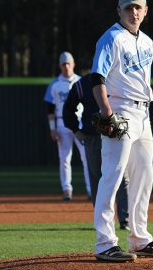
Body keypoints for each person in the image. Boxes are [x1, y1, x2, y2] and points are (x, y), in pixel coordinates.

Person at [90, 0, 153, 262]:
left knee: (144, 177)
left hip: (144, 114)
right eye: (128, 7)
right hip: (120, 110)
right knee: (112, 177)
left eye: (138, 7)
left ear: (145, 10)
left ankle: (139, 238)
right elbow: (97, 79)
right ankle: (105, 244)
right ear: (119, 11)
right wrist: (107, 114)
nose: (133, 11)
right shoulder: (111, 39)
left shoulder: (148, 42)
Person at [63, 73, 130, 230]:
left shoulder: (119, 78)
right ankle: (102, 221)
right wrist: (76, 130)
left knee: (121, 176)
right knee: (97, 178)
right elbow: (68, 109)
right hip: (93, 137)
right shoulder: (83, 83)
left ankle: (125, 219)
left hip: (116, 137)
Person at [44, 51, 91, 201]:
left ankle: (91, 189)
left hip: (80, 122)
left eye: (68, 63)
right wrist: (52, 128)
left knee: (86, 156)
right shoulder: (55, 84)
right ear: (59, 66)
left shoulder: (80, 81)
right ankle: (67, 189)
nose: (66, 66)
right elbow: (50, 109)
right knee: (64, 158)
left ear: (73, 65)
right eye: (63, 64)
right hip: (62, 123)